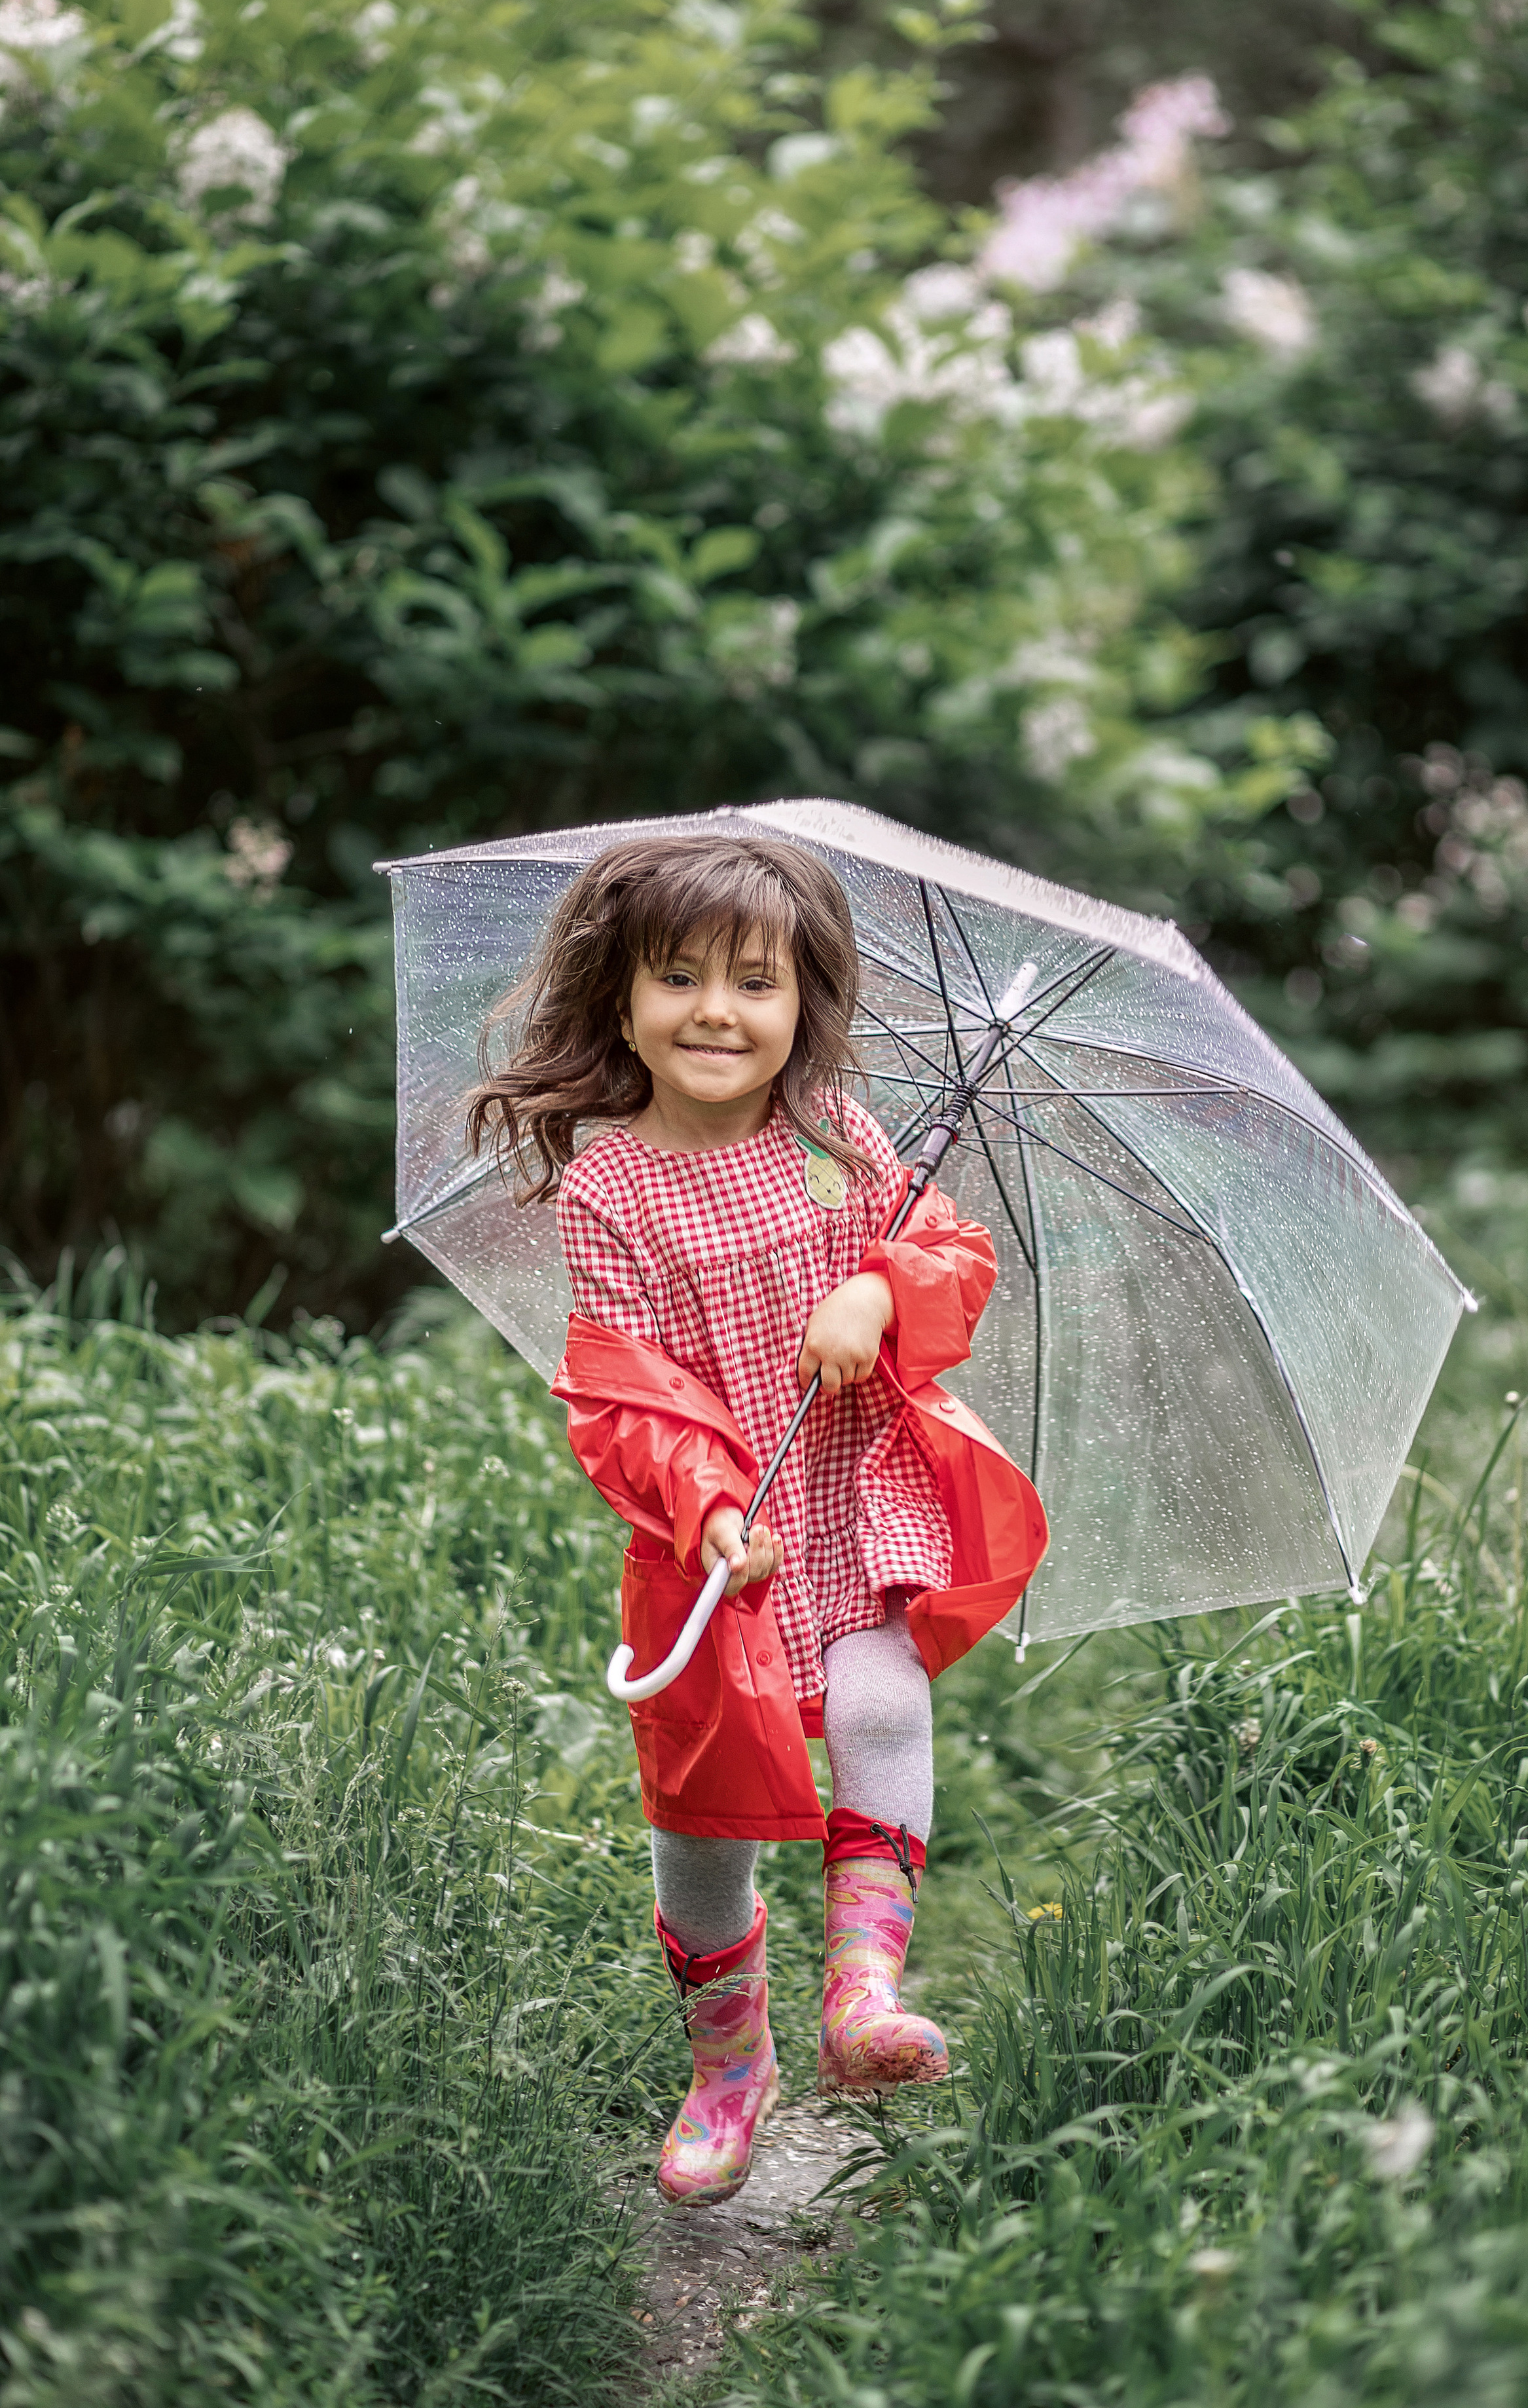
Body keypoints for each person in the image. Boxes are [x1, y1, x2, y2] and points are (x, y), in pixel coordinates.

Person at [466, 831, 1046, 2208]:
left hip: (850, 1497)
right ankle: (731, 2064)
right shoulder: (611, 1187)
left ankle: (861, 1996)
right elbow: (624, 1392)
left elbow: (949, 1249)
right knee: (703, 1824)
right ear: (621, 1005)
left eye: (754, 982)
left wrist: (881, 1290)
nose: (716, 1011)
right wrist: (712, 1506)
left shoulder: (835, 1135)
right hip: (712, 1540)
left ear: (802, 1006)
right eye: (677, 978)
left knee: (883, 1703)